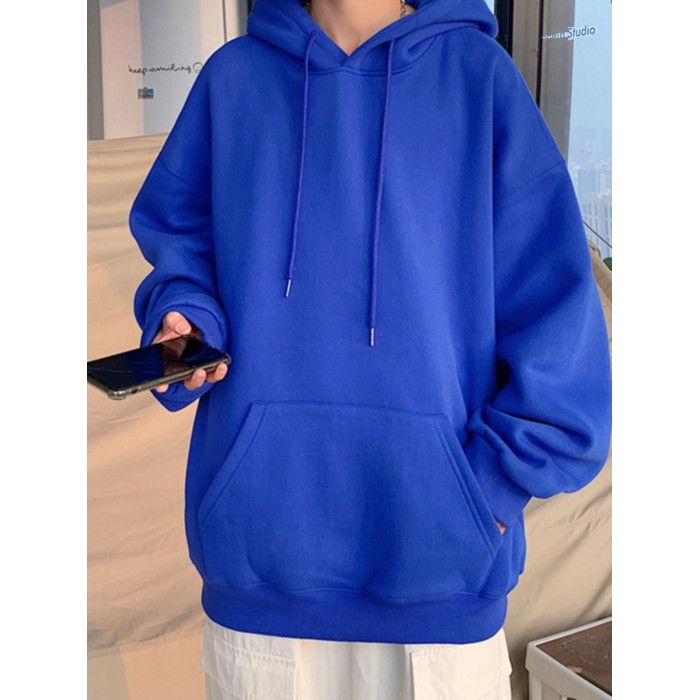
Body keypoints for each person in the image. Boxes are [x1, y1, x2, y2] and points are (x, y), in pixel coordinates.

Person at [128, 0, 613, 697]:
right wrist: (187, 320)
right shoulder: (232, 80)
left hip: (440, 586)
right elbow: (183, 247)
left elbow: (556, 315)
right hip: (261, 571)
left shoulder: (480, 77)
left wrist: (483, 498)